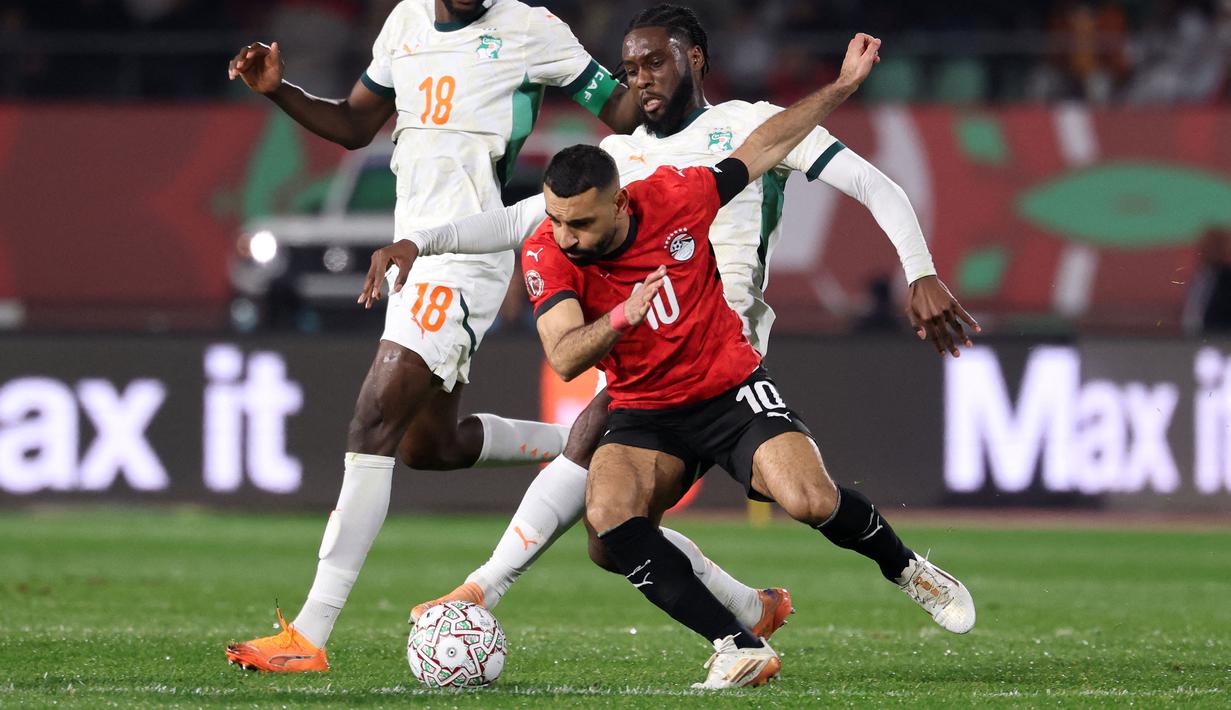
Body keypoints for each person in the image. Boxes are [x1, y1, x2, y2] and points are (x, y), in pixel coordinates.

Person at [372, 32, 979, 689]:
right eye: (557, 222)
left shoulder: (680, 194)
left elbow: (767, 145)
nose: (565, 238)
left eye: (580, 225)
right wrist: (615, 315)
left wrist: (841, 88)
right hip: (645, 409)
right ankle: (738, 642)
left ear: (621, 204)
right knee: (609, 524)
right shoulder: (552, 245)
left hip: (727, 384)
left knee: (808, 500)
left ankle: (904, 567)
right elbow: (565, 354)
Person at [220, 0, 732, 673]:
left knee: (372, 418)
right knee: (426, 446)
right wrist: (278, 91)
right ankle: (584, 446)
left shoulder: (531, 29)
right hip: (412, 248)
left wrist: (686, 107)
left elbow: (623, 114)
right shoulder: (404, 22)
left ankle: (309, 634)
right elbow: (353, 125)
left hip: (465, 253)